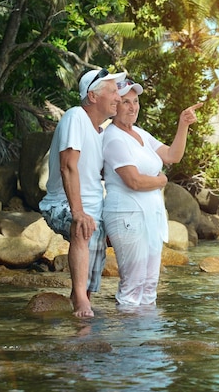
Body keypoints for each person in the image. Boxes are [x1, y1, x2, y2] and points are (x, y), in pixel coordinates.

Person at [102, 78, 202, 307]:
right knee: (133, 284)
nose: (132, 107)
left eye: (135, 101)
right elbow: (133, 181)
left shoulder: (140, 133)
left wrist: (183, 124)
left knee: (149, 285)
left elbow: (172, 156)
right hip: (127, 215)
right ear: (114, 105)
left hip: (149, 216)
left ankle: (147, 340)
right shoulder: (113, 137)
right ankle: (128, 341)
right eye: (125, 102)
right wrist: (162, 180)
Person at [40, 68, 126, 318]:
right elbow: (68, 165)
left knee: (100, 230)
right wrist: (77, 212)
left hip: (95, 210)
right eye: (112, 91)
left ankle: (80, 316)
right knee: (83, 225)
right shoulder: (75, 116)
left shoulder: (103, 132)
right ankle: (79, 300)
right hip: (61, 204)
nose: (118, 97)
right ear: (92, 96)